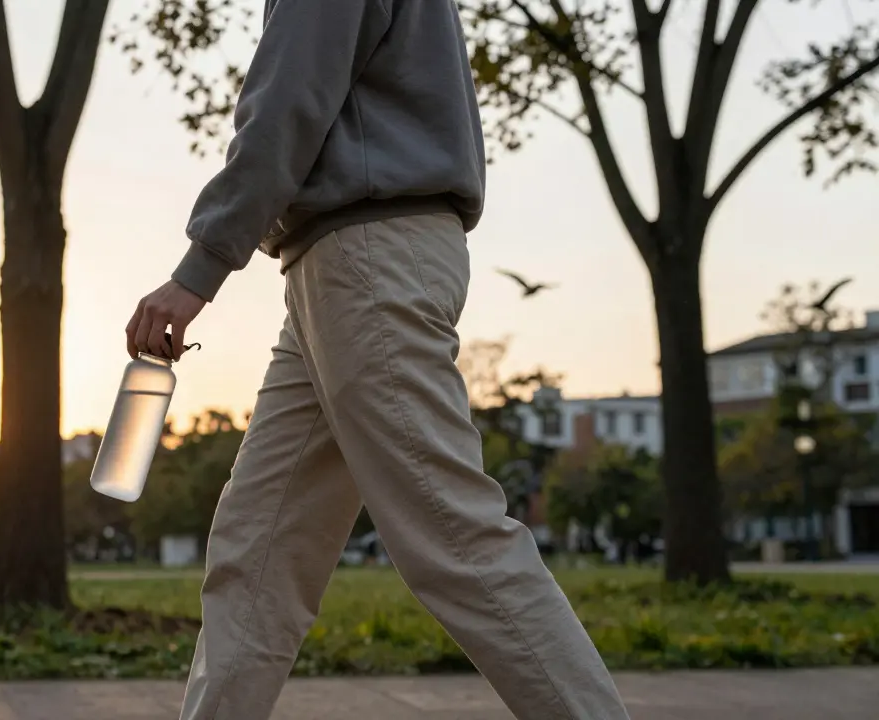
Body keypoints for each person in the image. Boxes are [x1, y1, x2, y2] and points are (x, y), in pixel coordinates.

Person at [124, 0, 631, 718]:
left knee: (454, 537)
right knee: (259, 553)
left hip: (366, 257)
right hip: (338, 268)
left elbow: (287, 102)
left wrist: (199, 269)